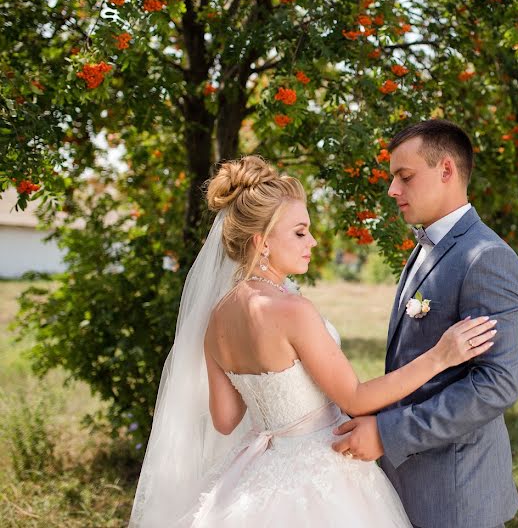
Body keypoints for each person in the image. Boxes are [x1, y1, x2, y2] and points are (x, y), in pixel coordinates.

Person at [129, 155, 497, 527]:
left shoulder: (218, 318)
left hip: (256, 472)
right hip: (322, 472)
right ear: (262, 242)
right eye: (300, 232)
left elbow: (225, 421)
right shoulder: (292, 310)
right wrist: (440, 357)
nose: (313, 241)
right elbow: (355, 398)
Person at [332, 120, 518, 528]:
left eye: (405, 177)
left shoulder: (487, 257)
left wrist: (389, 434)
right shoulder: (426, 248)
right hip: (411, 485)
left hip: (456, 496)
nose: (392, 190)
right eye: (393, 179)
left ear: (446, 170)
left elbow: (496, 385)